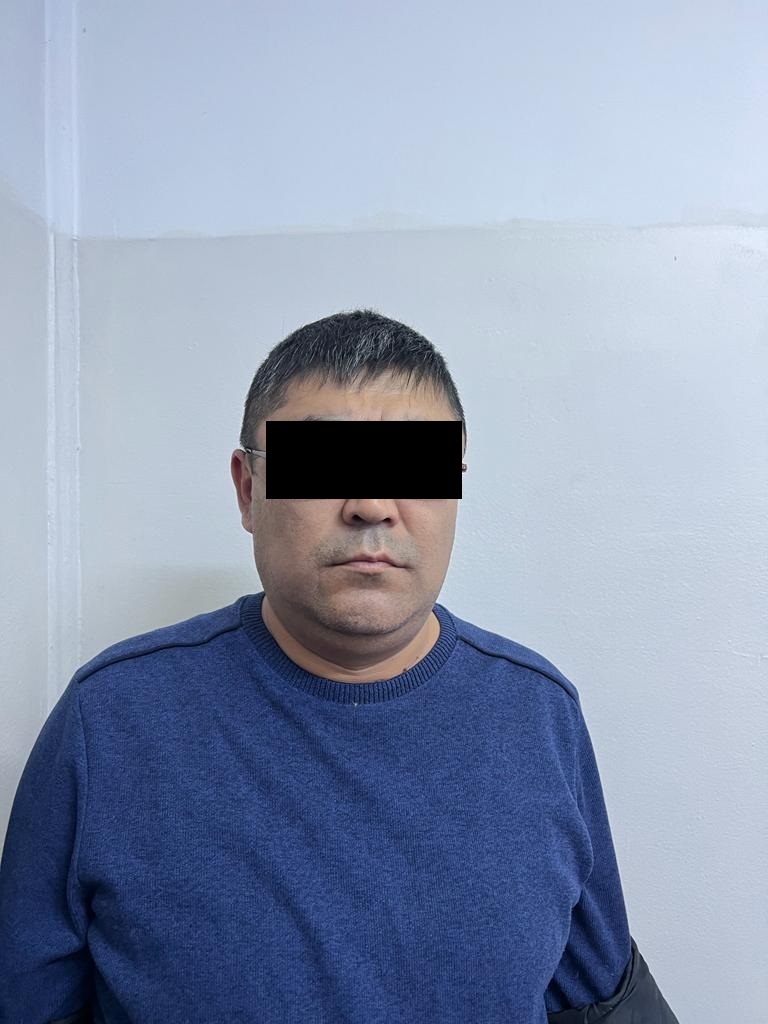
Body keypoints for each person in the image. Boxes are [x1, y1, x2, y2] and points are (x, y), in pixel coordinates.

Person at [0, 309, 679, 1023]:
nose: (371, 506)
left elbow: (601, 1004)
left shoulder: (538, 715)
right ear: (248, 490)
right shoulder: (111, 721)